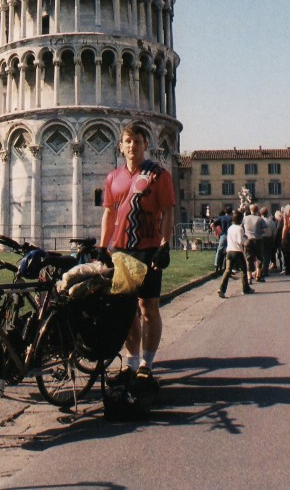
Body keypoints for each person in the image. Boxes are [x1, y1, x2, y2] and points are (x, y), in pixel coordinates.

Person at [99, 121, 175, 383]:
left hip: (149, 249)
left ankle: (147, 362)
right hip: (122, 252)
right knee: (127, 309)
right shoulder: (113, 177)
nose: (132, 146)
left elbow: (167, 211)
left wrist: (165, 245)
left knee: (148, 306)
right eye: (128, 141)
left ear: (146, 144)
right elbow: (109, 213)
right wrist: (102, 246)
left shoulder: (158, 174)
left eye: (137, 141)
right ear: (121, 146)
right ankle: (130, 362)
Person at [217, 209, 254, 297]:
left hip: (229, 251)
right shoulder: (240, 228)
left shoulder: (230, 228)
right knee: (243, 270)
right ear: (241, 220)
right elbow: (240, 241)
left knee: (227, 270)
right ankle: (245, 289)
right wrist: (246, 239)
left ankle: (221, 288)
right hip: (237, 251)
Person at [243, 202, 265, 283]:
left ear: (250, 210)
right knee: (259, 258)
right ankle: (258, 276)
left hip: (248, 240)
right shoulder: (260, 219)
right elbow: (264, 230)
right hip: (258, 240)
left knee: (249, 259)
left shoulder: (245, 218)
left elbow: (242, 228)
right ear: (257, 210)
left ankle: (249, 277)